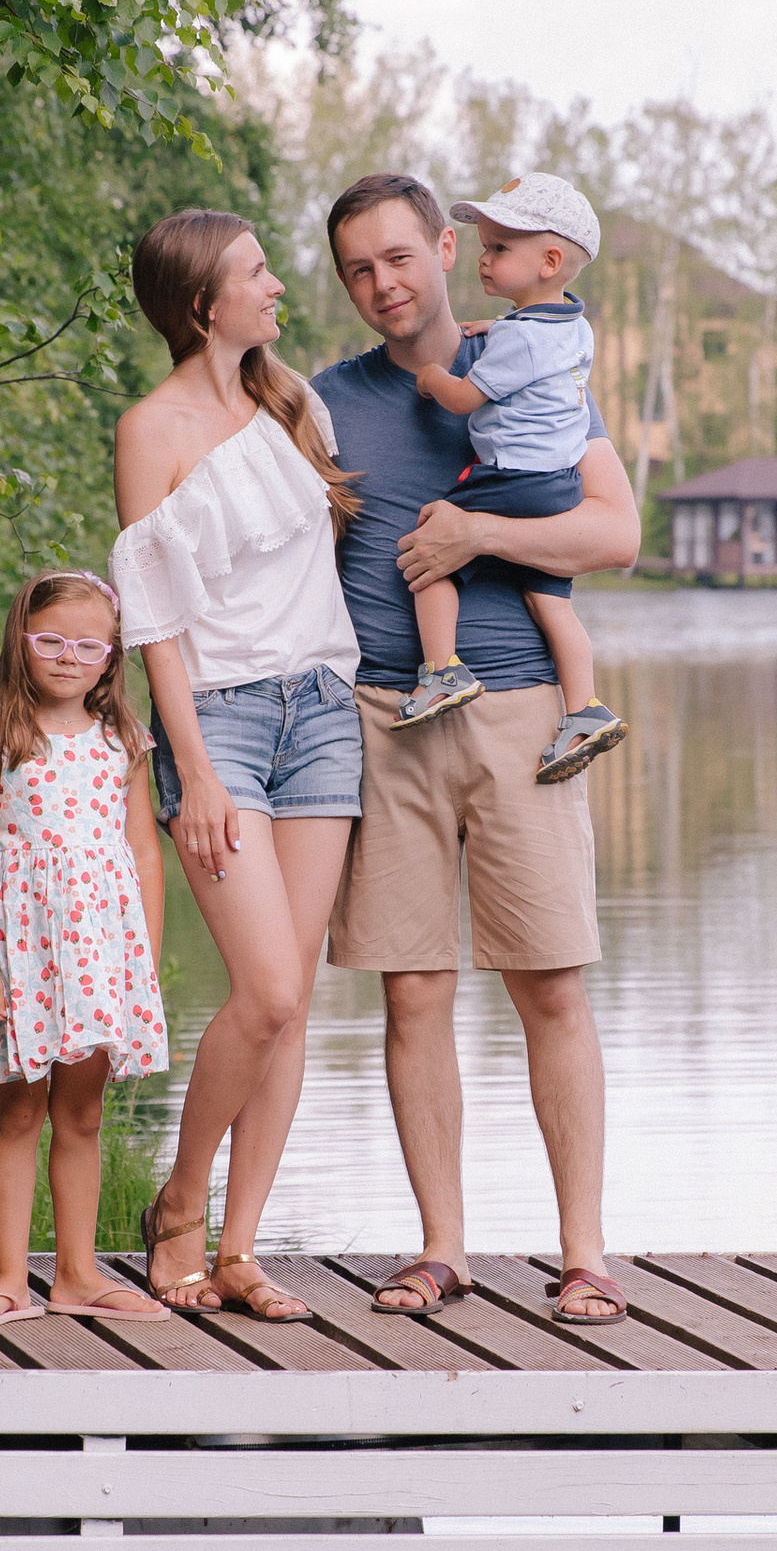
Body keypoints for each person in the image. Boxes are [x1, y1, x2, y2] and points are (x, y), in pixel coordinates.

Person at [312, 170, 642, 1329]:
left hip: (519, 711)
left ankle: (584, 1255)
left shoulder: (534, 366)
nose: (381, 284)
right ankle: (441, 1249)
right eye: (357, 268)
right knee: (413, 990)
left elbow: (616, 530)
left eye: (398, 257)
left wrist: (473, 534)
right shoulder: (323, 404)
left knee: (550, 983)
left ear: (447, 250)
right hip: (386, 719)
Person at [111, 207, 365, 1322]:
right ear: (201, 303)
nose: (276, 288)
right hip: (218, 720)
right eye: (256, 274)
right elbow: (153, 617)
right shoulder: (149, 429)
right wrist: (195, 770)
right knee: (260, 990)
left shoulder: (289, 399)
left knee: (293, 999)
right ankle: (178, 1204)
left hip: (322, 707)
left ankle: (242, 1249)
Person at [0, 568, 169, 1328]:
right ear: (22, 641)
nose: (68, 657)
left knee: (82, 1114)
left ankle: (75, 1275)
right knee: (19, 1112)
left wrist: (144, 966)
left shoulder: (125, 744)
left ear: (111, 658)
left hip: (104, 957)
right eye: (50, 640)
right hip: (26, 952)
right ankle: (12, 1277)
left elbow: (143, 854)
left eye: (88, 645)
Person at [399, 167, 625, 787]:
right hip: (557, 483)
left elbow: (467, 399)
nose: (484, 260)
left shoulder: (519, 340)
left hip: (510, 476)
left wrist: (431, 378)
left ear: (549, 259)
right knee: (550, 601)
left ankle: (442, 669)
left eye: (500, 248)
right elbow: (532, 344)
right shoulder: (573, 327)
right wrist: (496, 329)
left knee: (431, 548)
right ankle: (584, 709)